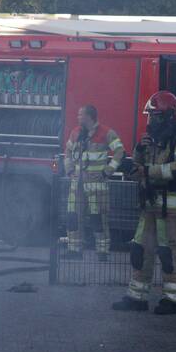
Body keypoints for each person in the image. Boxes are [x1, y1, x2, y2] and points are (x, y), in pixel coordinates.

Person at [113, 91, 176, 315]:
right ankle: (137, 297)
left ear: (169, 115)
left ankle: (171, 299)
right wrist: (138, 152)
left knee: (169, 252)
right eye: (150, 116)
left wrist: (149, 171)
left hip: (171, 207)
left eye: (156, 116)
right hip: (150, 206)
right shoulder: (151, 141)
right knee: (139, 249)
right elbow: (138, 168)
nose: (151, 121)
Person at [63, 105, 124, 261]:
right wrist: (69, 170)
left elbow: (119, 151)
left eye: (80, 114)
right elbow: (68, 151)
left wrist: (107, 171)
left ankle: (102, 252)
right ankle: (74, 250)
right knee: (73, 216)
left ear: (89, 117)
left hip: (97, 186)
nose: (78, 117)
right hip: (76, 184)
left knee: (99, 218)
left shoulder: (106, 132)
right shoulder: (76, 132)